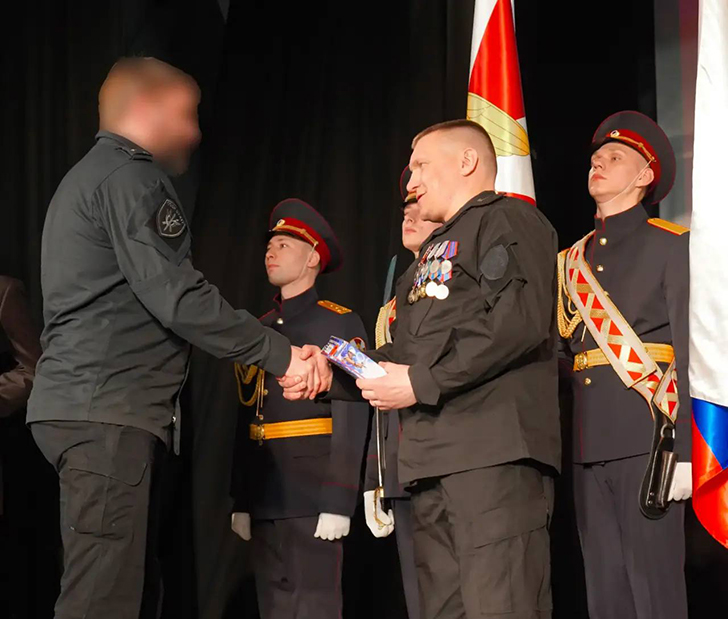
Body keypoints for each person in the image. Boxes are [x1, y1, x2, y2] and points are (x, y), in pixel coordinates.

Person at [27, 57, 319, 619]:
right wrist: (281, 355)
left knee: (130, 591)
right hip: (108, 413)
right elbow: (178, 296)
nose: (196, 132)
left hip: (93, 409)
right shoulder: (131, 178)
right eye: (187, 115)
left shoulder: (91, 177)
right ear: (145, 109)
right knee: (104, 601)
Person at [284, 119, 561, 619]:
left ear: (467, 162)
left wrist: (420, 382)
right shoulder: (427, 257)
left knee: (501, 606)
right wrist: (331, 368)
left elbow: (516, 324)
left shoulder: (507, 219)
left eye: (420, 166)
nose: (410, 182)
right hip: (430, 464)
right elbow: (405, 353)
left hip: (490, 460)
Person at [557, 111, 691, 619]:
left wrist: (685, 451)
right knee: (604, 596)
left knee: (655, 594)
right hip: (586, 443)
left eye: (614, 158)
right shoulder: (570, 261)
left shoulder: (671, 245)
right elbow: (560, 357)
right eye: (596, 157)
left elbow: (691, 350)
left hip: (649, 439)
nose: (598, 163)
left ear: (644, 176)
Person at [229, 198, 370, 619]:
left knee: (314, 606)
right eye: (269, 245)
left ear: (312, 258)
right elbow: (247, 412)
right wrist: (241, 496)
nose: (270, 252)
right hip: (266, 487)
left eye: (284, 245)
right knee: (272, 605)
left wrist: (339, 497)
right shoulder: (257, 329)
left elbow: (354, 410)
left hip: (313, 487)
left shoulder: (340, 323)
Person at [362, 166, 440, 619]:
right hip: (401, 465)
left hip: (445, 456)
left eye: (419, 207)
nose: (408, 216)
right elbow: (381, 402)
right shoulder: (396, 300)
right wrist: (376, 477)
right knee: (417, 596)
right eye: (405, 210)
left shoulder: (451, 287)